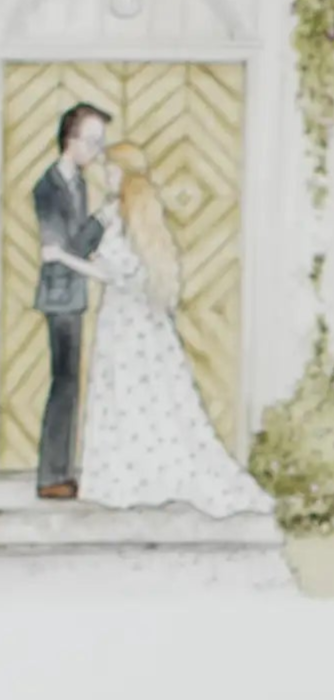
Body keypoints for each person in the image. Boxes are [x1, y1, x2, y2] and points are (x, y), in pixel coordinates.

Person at [42, 141, 274, 522]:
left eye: (112, 170)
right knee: (149, 393)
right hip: (138, 319)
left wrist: (64, 258)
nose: (107, 176)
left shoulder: (125, 213)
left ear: (124, 172)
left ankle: (131, 479)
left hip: (125, 320)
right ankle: (136, 473)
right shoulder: (136, 212)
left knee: (130, 392)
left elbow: (118, 272)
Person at [31, 100, 110, 501]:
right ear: (71, 140)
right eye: (93, 142)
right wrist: (100, 223)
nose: (97, 152)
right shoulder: (49, 187)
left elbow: (75, 248)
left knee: (69, 383)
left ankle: (59, 470)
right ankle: (51, 475)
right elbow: (59, 249)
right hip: (60, 296)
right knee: (63, 383)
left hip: (73, 294)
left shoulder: (77, 183)